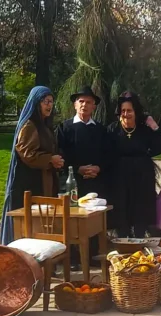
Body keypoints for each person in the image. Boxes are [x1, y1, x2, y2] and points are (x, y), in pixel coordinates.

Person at [0, 86, 63, 244]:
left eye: (51, 102)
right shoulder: (29, 125)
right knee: (31, 225)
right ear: (36, 103)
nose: (49, 105)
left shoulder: (44, 125)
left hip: (43, 178)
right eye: (45, 101)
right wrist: (50, 159)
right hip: (30, 181)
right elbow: (27, 153)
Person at [56, 86, 111, 265]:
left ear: (94, 106)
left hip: (95, 182)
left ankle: (93, 254)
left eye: (88, 102)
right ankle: (71, 257)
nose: (84, 105)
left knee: (93, 218)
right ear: (75, 104)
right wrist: (78, 169)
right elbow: (61, 154)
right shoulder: (65, 128)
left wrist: (98, 168)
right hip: (73, 181)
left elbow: (108, 155)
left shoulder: (101, 131)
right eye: (81, 101)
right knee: (71, 218)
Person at [108, 91, 161, 238]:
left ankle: (139, 240)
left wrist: (155, 127)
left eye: (129, 110)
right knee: (121, 208)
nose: (126, 114)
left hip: (142, 174)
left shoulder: (144, 130)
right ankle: (122, 240)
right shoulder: (112, 129)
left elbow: (160, 145)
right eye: (123, 111)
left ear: (136, 112)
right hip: (119, 175)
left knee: (140, 208)